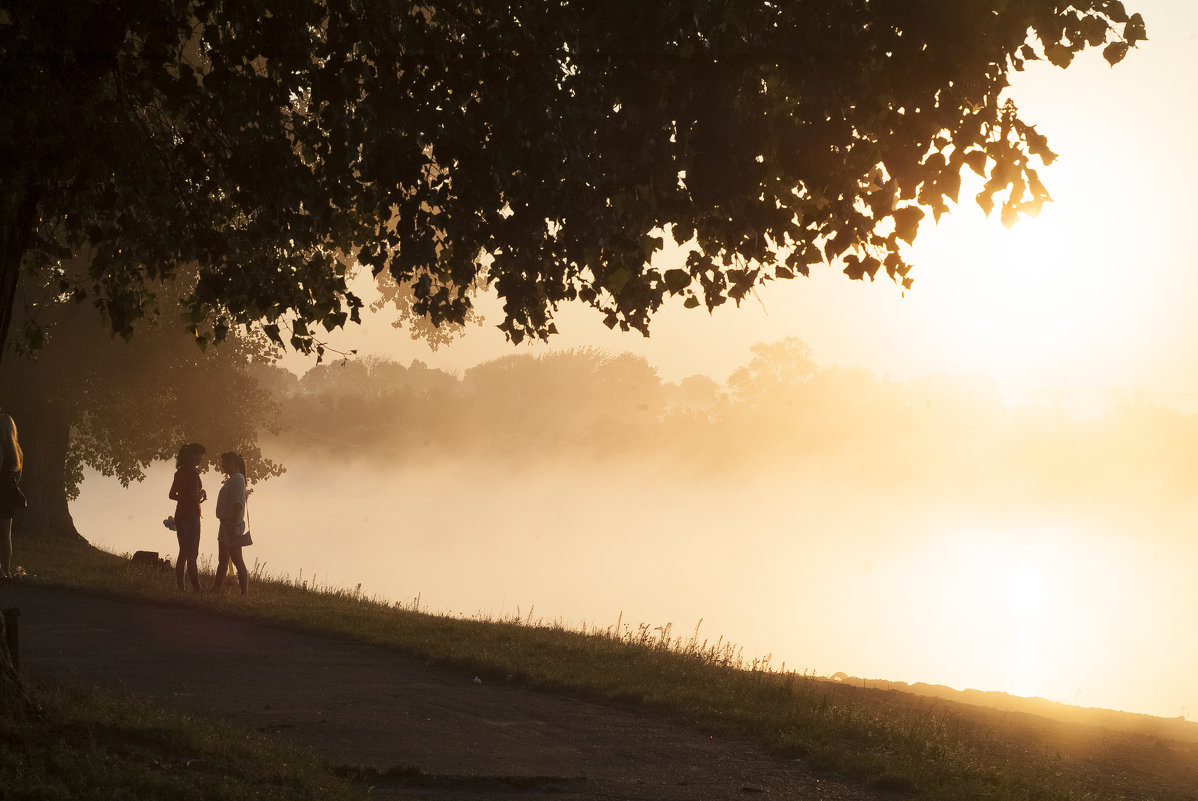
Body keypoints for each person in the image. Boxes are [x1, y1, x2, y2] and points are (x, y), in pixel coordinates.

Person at [167, 443, 206, 591]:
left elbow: (172, 495)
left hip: (180, 514)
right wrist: (201, 494)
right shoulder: (192, 473)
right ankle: (197, 589)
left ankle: (180, 588)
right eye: (198, 455)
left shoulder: (180, 472)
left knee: (183, 551)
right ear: (191, 456)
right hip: (191, 516)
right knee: (193, 553)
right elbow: (195, 497)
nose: (200, 458)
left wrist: (184, 498)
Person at [211, 451, 249, 595]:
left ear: (234, 463)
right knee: (223, 559)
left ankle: (244, 593)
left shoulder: (238, 479)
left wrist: (232, 523)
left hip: (231, 525)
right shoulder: (233, 479)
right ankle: (215, 588)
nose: (222, 465)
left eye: (225, 462)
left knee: (237, 560)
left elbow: (238, 503)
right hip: (226, 524)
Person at [0, 411, 23, 584]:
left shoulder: (0, 448)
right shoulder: (17, 450)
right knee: (5, 535)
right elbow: (18, 476)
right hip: (9, 494)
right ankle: (6, 570)